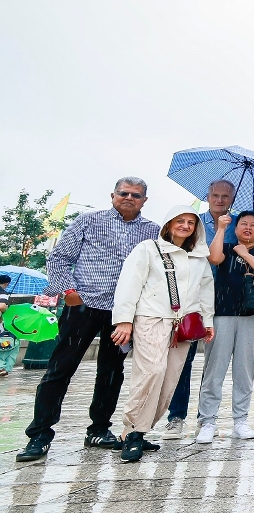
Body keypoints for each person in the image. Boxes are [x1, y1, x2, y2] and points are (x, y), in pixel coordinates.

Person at [17, 177, 159, 463]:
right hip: (84, 306)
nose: (129, 198)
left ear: (145, 200)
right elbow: (58, 258)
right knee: (60, 369)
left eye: (136, 195)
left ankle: (99, 429)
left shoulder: (153, 231)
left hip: (122, 313)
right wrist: (69, 292)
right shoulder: (88, 221)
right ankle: (40, 434)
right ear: (112, 195)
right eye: (124, 193)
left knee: (111, 371)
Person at [110, 206, 216, 461]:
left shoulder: (199, 258)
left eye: (190, 222)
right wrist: (124, 321)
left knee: (169, 380)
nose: (185, 226)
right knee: (151, 373)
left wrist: (208, 321)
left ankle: (136, 431)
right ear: (168, 224)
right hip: (151, 319)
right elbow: (129, 284)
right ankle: (134, 432)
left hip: (183, 327)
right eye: (180, 220)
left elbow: (205, 291)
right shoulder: (148, 249)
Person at [162, 179, 237, 440]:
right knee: (183, 358)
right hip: (192, 298)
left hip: (225, 300)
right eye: (215, 195)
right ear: (207, 196)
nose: (219, 200)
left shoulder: (239, 224)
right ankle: (176, 416)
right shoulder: (194, 223)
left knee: (214, 363)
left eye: (225, 196)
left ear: (232, 199)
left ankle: (206, 417)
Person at [197, 210, 254, 444]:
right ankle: (208, 421)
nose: (248, 228)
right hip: (222, 313)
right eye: (243, 223)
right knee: (214, 369)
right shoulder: (226, 245)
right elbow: (214, 258)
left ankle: (240, 420)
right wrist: (221, 228)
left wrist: (245, 254)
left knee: (244, 370)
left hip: (252, 315)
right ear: (236, 227)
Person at [0, 276, 16, 377]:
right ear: (6, 284)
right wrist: (6, 306)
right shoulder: (2, 293)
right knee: (10, 345)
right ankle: (3, 367)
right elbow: (2, 306)